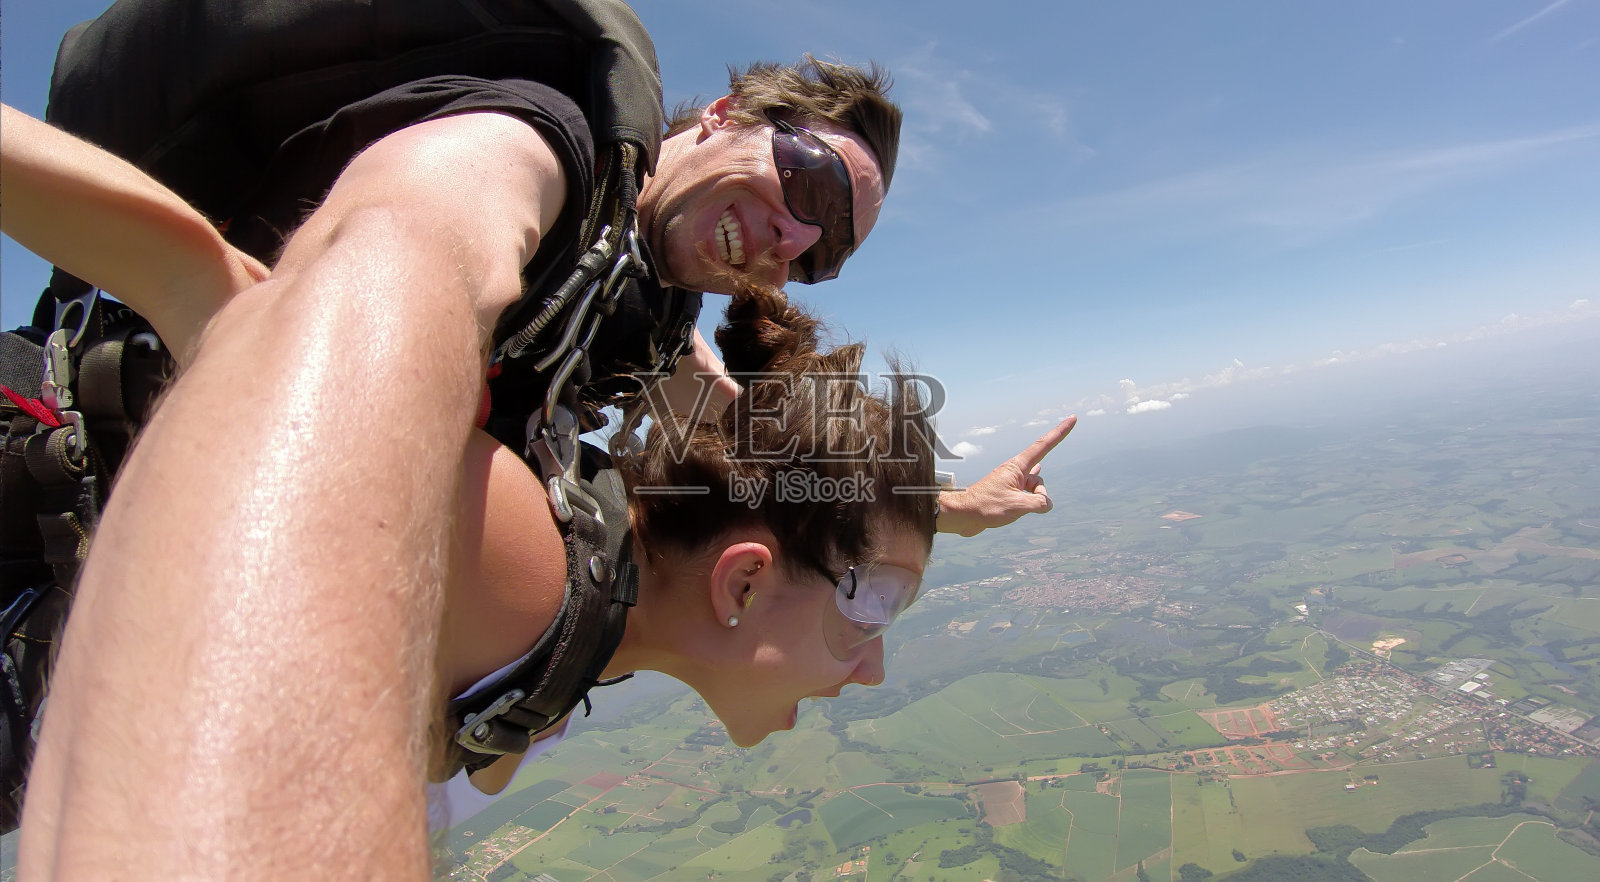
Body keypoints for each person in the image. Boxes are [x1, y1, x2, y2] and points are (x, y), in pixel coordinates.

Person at [3, 9, 1072, 878]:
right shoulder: (530, 145)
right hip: (49, 484)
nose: (796, 239)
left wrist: (951, 512)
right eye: (808, 184)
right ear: (730, 114)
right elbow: (394, 259)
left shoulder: (647, 319)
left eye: (825, 252)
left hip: (94, 569)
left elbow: (777, 484)